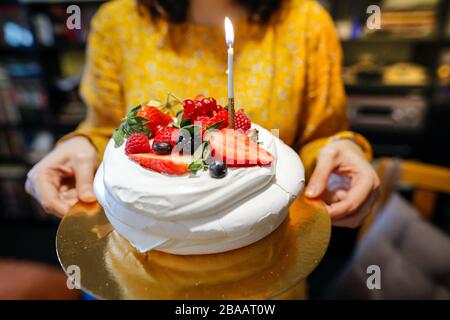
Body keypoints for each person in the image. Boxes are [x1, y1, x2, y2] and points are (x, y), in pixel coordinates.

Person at [26, 0, 380, 228]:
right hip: (143, 262)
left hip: (263, 260)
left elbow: (322, 136)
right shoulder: (118, 22)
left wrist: (339, 155)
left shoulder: (307, 22)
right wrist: (82, 146)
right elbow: (110, 132)